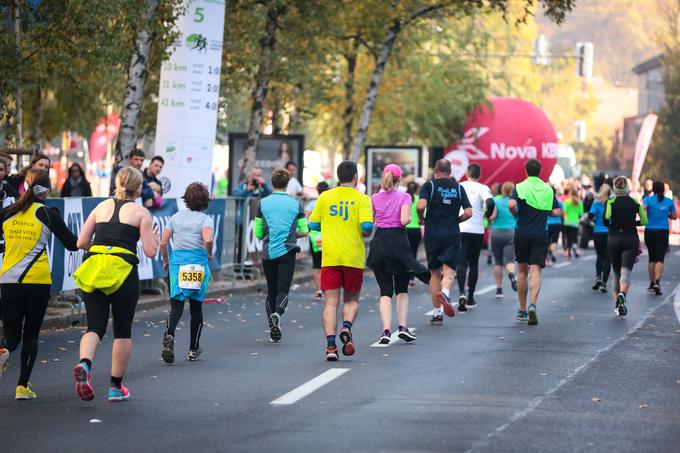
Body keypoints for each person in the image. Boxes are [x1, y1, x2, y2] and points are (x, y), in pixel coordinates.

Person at [73, 166, 159, 402]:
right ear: (138, 188)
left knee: (94, 327)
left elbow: (81, 242)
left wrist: (103, 248)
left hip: (95, 269)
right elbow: (151, 251)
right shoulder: (141, 213)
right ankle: (115, 387)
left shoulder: (100, 207)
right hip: (123, 272)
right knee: (122, 330)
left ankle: (85, 363)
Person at [0, 170, 79, 399]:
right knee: (32, 335)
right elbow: (72, 244)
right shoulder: (47, 213)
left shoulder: (7, 212)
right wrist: (93, 241)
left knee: (12, 337)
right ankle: (22, 387)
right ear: (47, 190)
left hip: (8, 281)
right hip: (37, 281)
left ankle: (3, 351)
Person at [309, 161, 373, 361]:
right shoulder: (363, 199)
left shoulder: (325, 197)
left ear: (338, 177)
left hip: (330, 257)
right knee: (352, 300)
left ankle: (330, 346)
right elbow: (366, 228)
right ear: (355, 178)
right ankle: (346, 328)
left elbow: (314, 225)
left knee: (330, 302)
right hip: (353, 258)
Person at [367, 165, 429, 344]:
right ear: (399, 179)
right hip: (399, 243)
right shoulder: (405, 196)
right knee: (401, 289)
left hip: (380, 243)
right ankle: (402, 327)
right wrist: (410, 218)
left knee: (385, 291)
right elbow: (403, 220)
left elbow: (371, 222)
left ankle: (385, 331)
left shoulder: (374, 198)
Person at [160, 183, 214, 363]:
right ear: (205, 200)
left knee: (176, 306)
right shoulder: (205, 219)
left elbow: (162, 243)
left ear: (186, 199)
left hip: (178, 265)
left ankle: (169, 335)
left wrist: (166, 261)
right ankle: (193, 348)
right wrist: (210, 253)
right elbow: (208, 239)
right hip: (198, 264)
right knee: (196, 308)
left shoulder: (175, 217)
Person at [254, 168, 309, 342]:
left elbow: (258, 232)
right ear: (287, 183)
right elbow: (305, 231)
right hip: (287, 251)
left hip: (268, 252)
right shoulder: (296, 205)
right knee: (283, 290)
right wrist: (292, 233)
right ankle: (278, 313)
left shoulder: (262, 203)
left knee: (271, 290)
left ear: (272, 182)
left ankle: (273, 326)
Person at [417, 159, 472, 325]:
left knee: (434, 273)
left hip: (433, 233)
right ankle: (446, 293)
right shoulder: (458, 187)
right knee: (449, 272)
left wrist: (422, 218)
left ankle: (437, 313)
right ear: (450, 171)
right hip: (452, 233)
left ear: (435, 170)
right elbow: (469, 212)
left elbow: (420, 205)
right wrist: (456, 220)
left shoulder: (430, 186)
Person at [509, 159, 561, 326]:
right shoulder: (548, 189)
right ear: (540, 171)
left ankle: (522, 310)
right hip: (541, 233)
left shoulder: (519, 187)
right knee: (536, 269)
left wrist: (514, 212)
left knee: (522, 270)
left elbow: (511, 204)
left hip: (522, 233)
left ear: (526, 171)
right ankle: (533, 304)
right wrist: (548, 212)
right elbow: (557, 211)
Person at [605, 177, 648, 316]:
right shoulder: (635, 202)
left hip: (614, 238)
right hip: (630, 239)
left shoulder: (611, 202)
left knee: (616, 272)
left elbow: (607, 217)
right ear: (627, 188)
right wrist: (632, 223)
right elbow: (645, 220)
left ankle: (617, 306)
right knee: (626, 272)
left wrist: (614, 224)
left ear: (615, 188)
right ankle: (622, 295)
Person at [456, 163, 494, 310]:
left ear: (467, 173)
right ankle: (471, 297)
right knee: (474, 264)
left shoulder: (459, 186)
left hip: (461, 227)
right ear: (480, 175)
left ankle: (461, 292)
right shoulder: (483, 188)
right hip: (477, 230)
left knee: (461, 262)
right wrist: (487, 215)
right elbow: (490, 202)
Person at [643, 181, 677, 296]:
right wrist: (664, 214)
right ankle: (657, 282)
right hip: (663, 231)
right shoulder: (669, 201)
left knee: (651, 257)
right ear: (663, 189)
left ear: (653, 189)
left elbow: (642, 210)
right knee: (660, 258)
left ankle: (652, 283)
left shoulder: (648, 199)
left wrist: (648, 216)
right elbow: (674, 216)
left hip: (650, 231)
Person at [489, 181, 517, 298]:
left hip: (496, 233)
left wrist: (489, 219)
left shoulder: (496, 201)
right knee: (510, 260)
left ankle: (499, 290)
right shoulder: (514, 203)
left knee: (498, 262)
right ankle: (511, 275)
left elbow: (492, 217)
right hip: (511, 232)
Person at [305, 181, 329, 300]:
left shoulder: (312, 203)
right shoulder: (330, 203)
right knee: (327, 262)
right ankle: (327, 288)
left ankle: (319, 289)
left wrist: (305, 230)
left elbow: (306, 217)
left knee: (316, 263)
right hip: (328, 235)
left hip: (315, 236)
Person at [588, 184, 612, 292]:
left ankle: (598, 277)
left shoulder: (596, 203)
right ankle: (604, 283)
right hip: (609, 233)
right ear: (609, 193)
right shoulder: (611, 203)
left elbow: (590, 216)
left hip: (597, 233)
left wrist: (596, 221)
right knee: (608, 259)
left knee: (599, 257)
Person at [405, 181, 422, 287]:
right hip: (416, 229)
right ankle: (411, 277)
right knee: (414, 254)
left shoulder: (404, 198)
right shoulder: (419, 199)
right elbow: (422, 214)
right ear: (416, 189)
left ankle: (405, 275)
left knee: (405, 253)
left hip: (405, 229)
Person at [562, 188, 583, 259]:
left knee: (568, 238)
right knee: (574, 237)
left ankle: (569, 253)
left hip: (567, 222)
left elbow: (564, 211)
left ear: (570, 194)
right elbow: (581, 214)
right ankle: (575, 248)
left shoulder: (567, 201)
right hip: (575, 223)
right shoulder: (580, 202)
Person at [546, 187, 564, 265]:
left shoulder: (545, 201)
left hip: (547, 224)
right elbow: (561, 212)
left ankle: (547, 256)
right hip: (557, 223)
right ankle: (551, 250)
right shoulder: (559, 202)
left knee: (547, 241)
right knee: (555, 240)